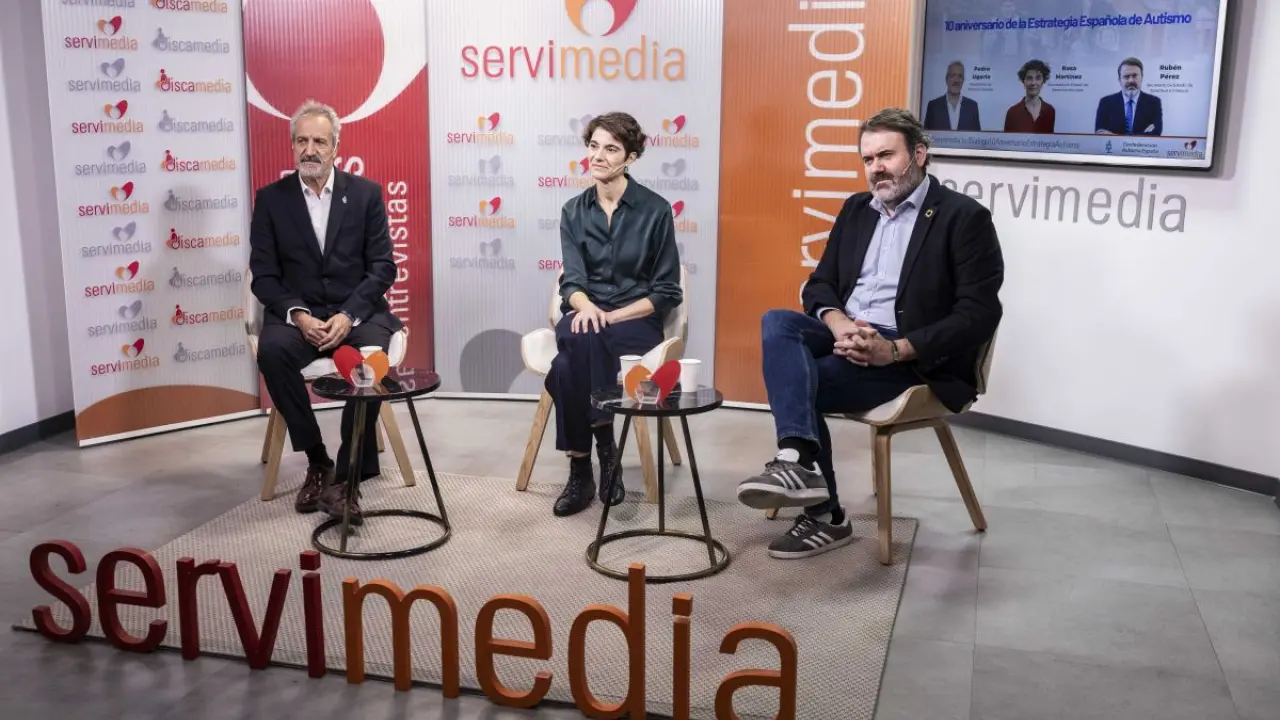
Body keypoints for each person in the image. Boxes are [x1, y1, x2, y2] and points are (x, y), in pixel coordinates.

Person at [736, 108, 1003, 559]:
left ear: (919, 155)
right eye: (868, 159)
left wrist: (894, 349)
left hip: (911, 359)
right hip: (850, 333)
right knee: (777, 322)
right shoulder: (857, 209)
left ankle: (824, 513)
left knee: (803, 383)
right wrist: (840, 324)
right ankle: (796, 461)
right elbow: (821, 283)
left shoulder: (964, 217)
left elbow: (978, 315)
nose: (876, 168)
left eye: (886, 155)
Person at [249, 99, 401, 525]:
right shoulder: (271, 200)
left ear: (336, 146)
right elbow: (264, 276)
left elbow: (383, 267)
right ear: (292, 146)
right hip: (301, 317)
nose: (310, 150)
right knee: (272, 353)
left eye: (319, 141)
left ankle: (347, 478)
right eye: (302, 141)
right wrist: (298, 315)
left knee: (370, 364)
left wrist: (348, 315)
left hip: (357, 314)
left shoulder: (366, 194)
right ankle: (318, 460)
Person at [545, 111, 683, 517]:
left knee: (565, 366)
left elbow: (666, 291)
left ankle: (581, 468)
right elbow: (571, 282)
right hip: (586, 317)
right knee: (579, 337)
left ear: (630, 158)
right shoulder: (573, 211)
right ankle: (606, 452)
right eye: (593, 146)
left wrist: (613, 315)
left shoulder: (655, 210)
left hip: (635, 322)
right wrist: (587, 306)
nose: (598, 156)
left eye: (611, 149)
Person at [1094, 57, 1163, 136]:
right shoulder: (1106, 103)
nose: (1131, 80)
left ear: (1142, 78)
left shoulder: (1154, 103)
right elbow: (1100, 133)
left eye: (1135, 76)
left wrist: (1115, 137)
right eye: (1126, 76)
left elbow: (1155, 133)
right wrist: (1142, 135)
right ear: (1119, 80)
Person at [923, 61, 982, 131]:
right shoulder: (933, 106)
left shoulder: (972, 107)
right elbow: (926, 135)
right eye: (953, 75)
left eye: (960, 76)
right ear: (946, 79)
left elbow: (977, 136)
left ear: (963, 80)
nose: (956, 80)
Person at [1003, 59, 1055, 133]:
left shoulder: (1050, 111)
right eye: (1029, 78)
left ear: (1043, 81)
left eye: (1038, 78)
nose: (1033, 83)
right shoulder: (1012, 112)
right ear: (1023, 81)